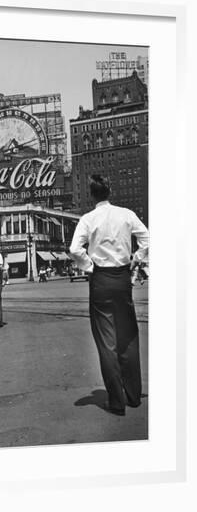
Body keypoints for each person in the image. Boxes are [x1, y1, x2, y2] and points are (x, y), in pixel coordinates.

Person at [69, 175, 149, 416]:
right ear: (109, 191)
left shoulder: (87, 219)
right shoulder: (126, 214)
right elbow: (147, 239)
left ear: (92, 195)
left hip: (101, 280)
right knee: (128, 336)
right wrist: (136, 258)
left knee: (106, 341)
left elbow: (74, 249)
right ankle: (134, 396)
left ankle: (116, 400)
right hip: (123, 279)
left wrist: (90, 265)